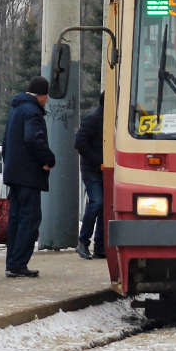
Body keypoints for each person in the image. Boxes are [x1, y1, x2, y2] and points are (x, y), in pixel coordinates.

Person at [2, 76, 56, 278]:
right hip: (29, 175)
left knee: (15, 220)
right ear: (42, 95)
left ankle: (12, 262)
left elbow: (6, 142)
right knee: (30, 220)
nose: (47, 100)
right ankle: (18, 264)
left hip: (15, 174)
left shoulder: (16, 110)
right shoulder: (33, 112)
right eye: (47, 96)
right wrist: (48, 158)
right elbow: (33, 138)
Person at [73, 95, 105, 260]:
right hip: (92, 170)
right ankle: (83, 242)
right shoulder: (94, 119)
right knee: (97, 202)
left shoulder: (107, 119)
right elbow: (80, 142)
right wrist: (97, 160)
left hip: (103, 169)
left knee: (104, 206)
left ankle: (100, 246)